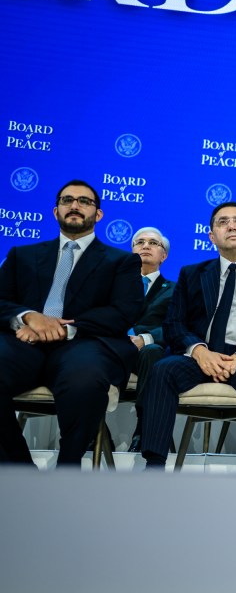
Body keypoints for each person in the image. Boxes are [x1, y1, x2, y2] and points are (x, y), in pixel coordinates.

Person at [139, 202, 236, 471]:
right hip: (201, 357)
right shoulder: (192, 274)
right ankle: (154, 464)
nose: (232, 225)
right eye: (223, 222)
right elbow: (174, 323)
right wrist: (199, 352)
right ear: (212, 236)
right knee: (162, 369)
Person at [0, 179, 142, 465]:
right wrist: (29, 317)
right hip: (22, 342)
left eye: (84, 201)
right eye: (67, 200)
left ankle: (67, 469)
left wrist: (64, 328)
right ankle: (19, 471)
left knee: (85, 381)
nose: (75, 206)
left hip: (83, 343)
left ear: (98, 214)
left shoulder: (121, 261)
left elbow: (126, 310)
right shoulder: (22, 255)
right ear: (56, 211)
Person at [126, 226, 175, 453]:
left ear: (163, 256)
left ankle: (144, 428)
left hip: (147, 353)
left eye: (153, 243)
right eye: (140, 242)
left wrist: (145, 338)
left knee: (152, 351)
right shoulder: (113, 285)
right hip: (113, 348)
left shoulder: (175, 290)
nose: (145, 246)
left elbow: (177, 326)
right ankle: (88, 431)